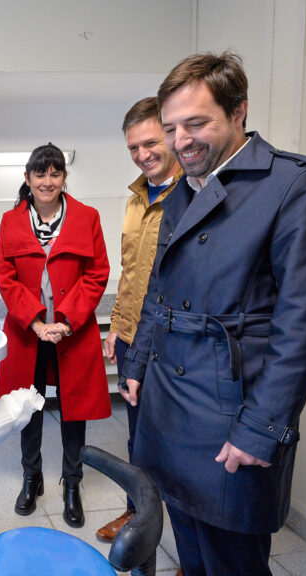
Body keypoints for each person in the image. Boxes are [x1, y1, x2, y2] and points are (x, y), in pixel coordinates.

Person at [120, 52, 306, 576]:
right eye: (171, 128)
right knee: (191, 552)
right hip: (171, 405)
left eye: (196, 124)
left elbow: (305, 327)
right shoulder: (182, 189)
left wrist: (262, 428)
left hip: (230, 414)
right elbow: (159, 289)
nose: (181, 141)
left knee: (232, 561)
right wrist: (137, 364)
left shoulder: (295, 188)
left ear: (239, 111)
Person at [0, 143, 110, 528]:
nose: (47, 181)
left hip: (71, 333)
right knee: (29, 407)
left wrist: (66, 321)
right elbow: (5, 277)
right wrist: (35, 322)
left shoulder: (87, 217)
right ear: (27, 179)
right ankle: (32, 476)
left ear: (64, 177)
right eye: (40, 173)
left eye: (55, 173)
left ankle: (72, 481)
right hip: (28, 334)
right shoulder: (11, 221)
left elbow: (97, 274)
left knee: (75, 409)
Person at [95, 97, 182, 545]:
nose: (143, 154)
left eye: (150, 142)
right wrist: (116, 327)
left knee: (181, 446)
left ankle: (190, 545)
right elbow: (131, 272)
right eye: (133, 147)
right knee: (138, 439)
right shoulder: (134, 199)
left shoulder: (193, 195)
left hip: (172, 342)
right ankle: (136, 516)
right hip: (132, 337)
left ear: (172, 135)